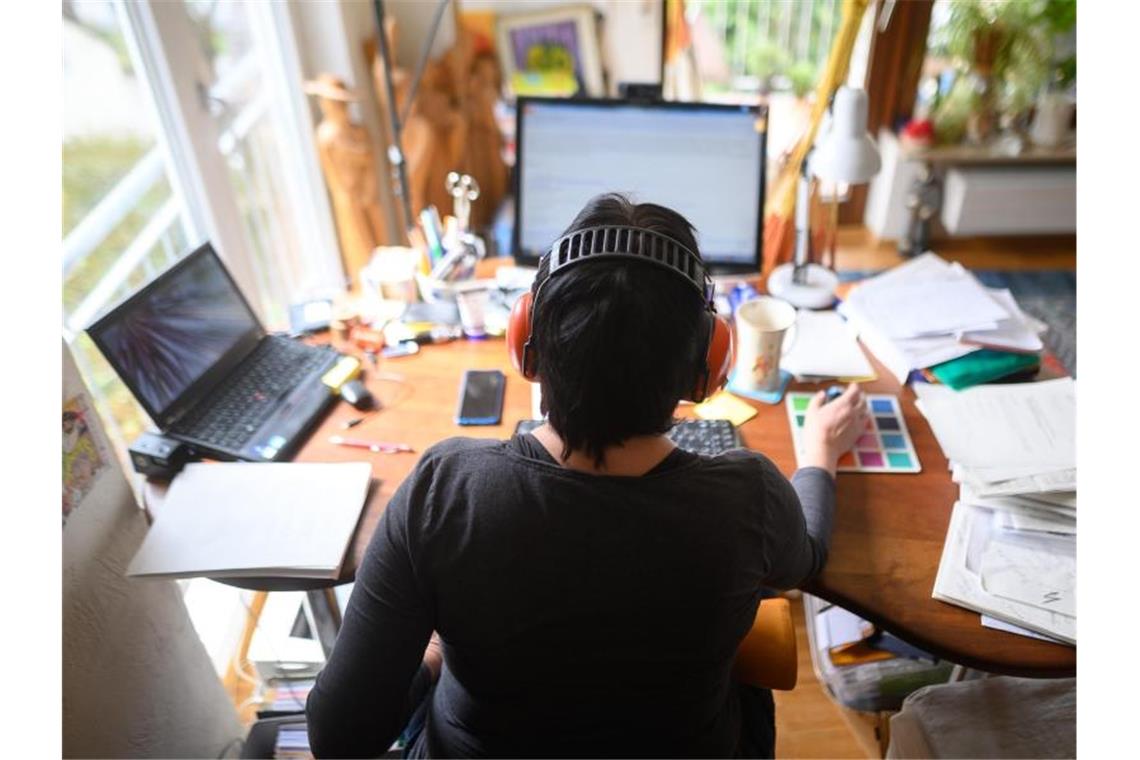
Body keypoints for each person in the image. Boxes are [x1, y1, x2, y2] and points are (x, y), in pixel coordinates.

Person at [306, 193, 867, 758]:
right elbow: (808, 555)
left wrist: (432, 655)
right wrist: (818, 452)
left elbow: (340, 737)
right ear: (706, 367)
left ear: (527, 342)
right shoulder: (749, 498)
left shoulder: (444, 491)